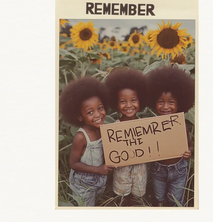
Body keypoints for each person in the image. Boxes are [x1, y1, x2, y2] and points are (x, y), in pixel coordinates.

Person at [59, 76, 114, 206]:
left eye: (100, 108)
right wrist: (98, 169)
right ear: (79, 117)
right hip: (83, 184)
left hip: (100, 179)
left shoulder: (103, 129)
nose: (98, 115)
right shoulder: (81, 137)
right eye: (90, 112)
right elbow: (73, 164)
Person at [145, 66, 195, 207]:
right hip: (158, 169)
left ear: (180, 103)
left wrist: (188, 152)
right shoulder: (151, 126)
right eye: (160, 102)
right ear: (153, 101)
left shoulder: (181, 125)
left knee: (176, 199)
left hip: (178, 170)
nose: (165, 107)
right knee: (158, 197)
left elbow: (188, 145)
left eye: (171, 102)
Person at [104, 67, 148, 206]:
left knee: (138, 198)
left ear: (141, 101)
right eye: (123, 101)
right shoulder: (114, 128)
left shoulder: (147, 126)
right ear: (115, 104)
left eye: (133, 100)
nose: (129, 105)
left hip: (140, 172)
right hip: (121, 173)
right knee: (121, 199)